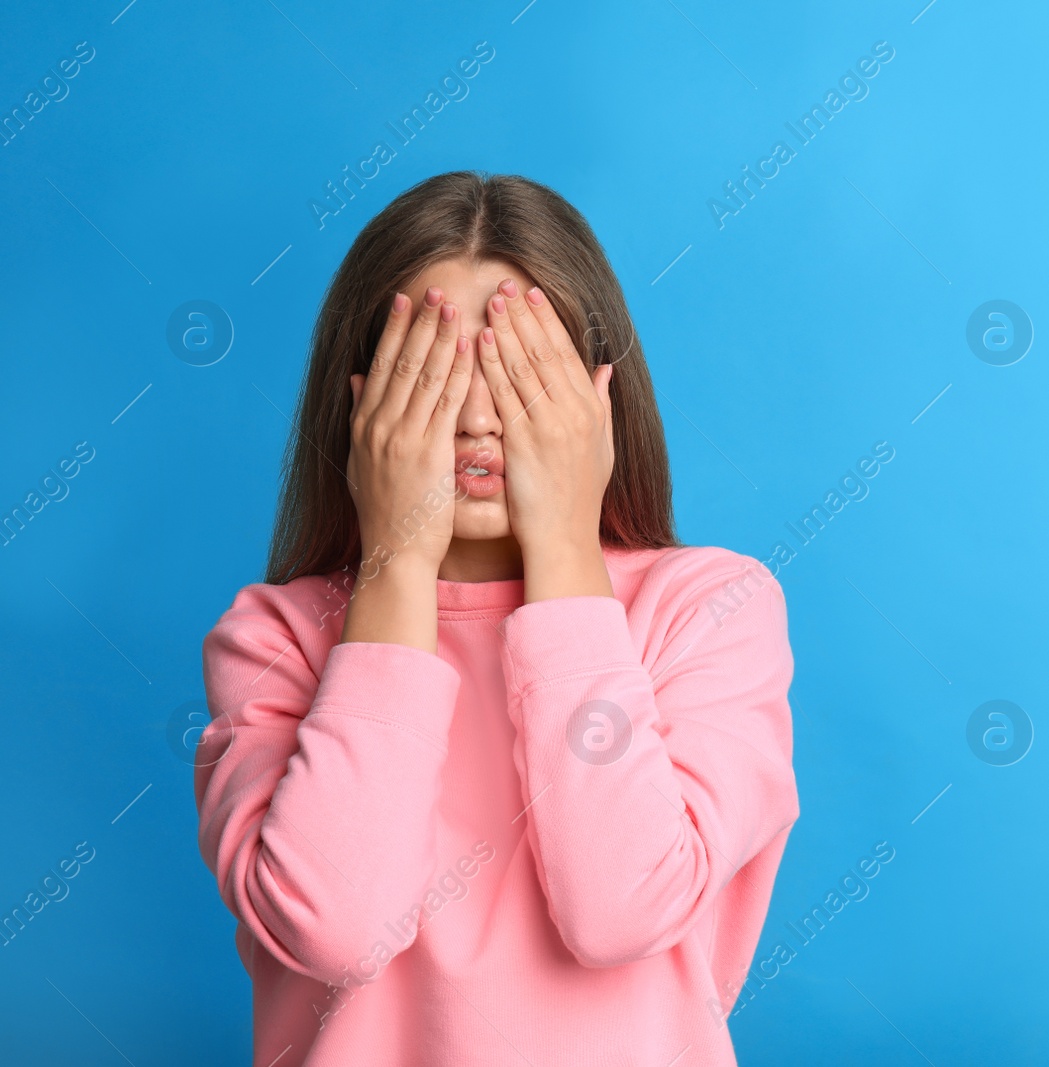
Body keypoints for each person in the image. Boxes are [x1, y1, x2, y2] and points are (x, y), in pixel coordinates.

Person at [193, 171, 799, 1066]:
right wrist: (397, 560)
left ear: (598, 398)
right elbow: (340, 927)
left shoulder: (711, 608)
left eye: (519, 371)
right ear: (361, 404)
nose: (478, 416)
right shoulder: (276, 637)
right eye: (433, 371)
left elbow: (620, 907)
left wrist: (563, 541)